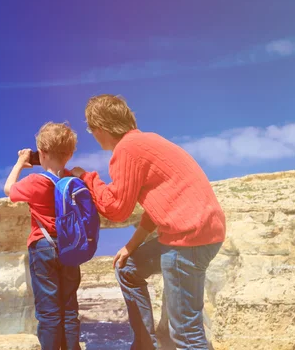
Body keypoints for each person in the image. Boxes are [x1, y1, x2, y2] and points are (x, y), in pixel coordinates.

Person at [70, 94, 226, 350]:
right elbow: (156, 209)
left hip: (187, 239)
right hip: (200, 233)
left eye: (91, 129)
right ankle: (145, 345)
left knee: (186, 334)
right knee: (128, 267)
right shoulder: (148, 141)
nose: (93, 134)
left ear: (99, 128)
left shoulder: (127, 151)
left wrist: (88, 178)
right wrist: (131, 246)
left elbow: (116, 209)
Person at [4, 122, 82, 350]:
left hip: (42, 246)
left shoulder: (36, 182)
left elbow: (9, 189)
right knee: (69, 309)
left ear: (42, 153)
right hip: (71, 248)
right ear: (69, 154)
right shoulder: (74, 181)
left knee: (49, 312)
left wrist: (20, 162)